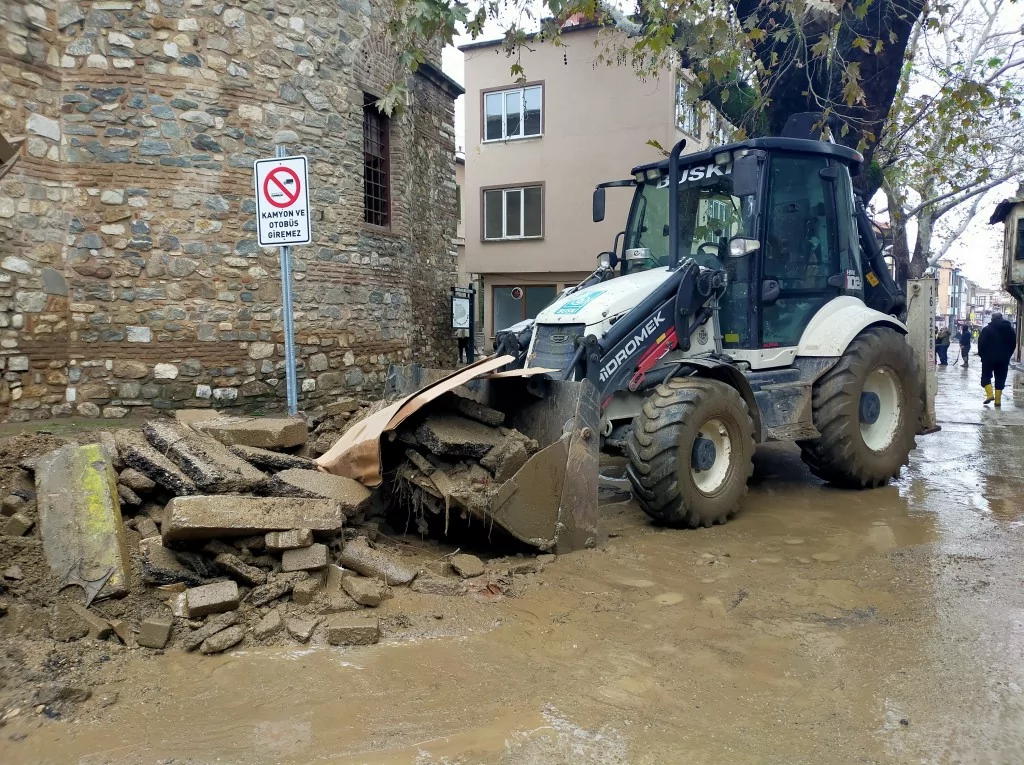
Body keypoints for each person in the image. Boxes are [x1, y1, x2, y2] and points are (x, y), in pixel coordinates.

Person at [978, 312, 1017, 406]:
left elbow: (981, 344)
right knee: (1000, 377)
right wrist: (1008, 354)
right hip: (1003, 358)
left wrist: (982, 355)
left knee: (986, 376)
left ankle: (990, 395)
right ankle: (998, 400)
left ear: (992, 319)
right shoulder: (1009, 329)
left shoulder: (987, 329)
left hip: (988, 358)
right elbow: (1013, 343)